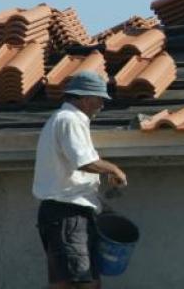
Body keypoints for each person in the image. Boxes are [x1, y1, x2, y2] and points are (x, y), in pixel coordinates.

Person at [33, 71, 128, 288]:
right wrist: (114, 169)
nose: (102, 105)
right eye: (100, 99)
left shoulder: (67, 120)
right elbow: (83, 162)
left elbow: (75, 173)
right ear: (85, 98)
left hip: (68, 214)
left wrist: (101, 207)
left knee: (84, 281)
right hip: (67, 215)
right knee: (77, 283)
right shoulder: (69, 120)